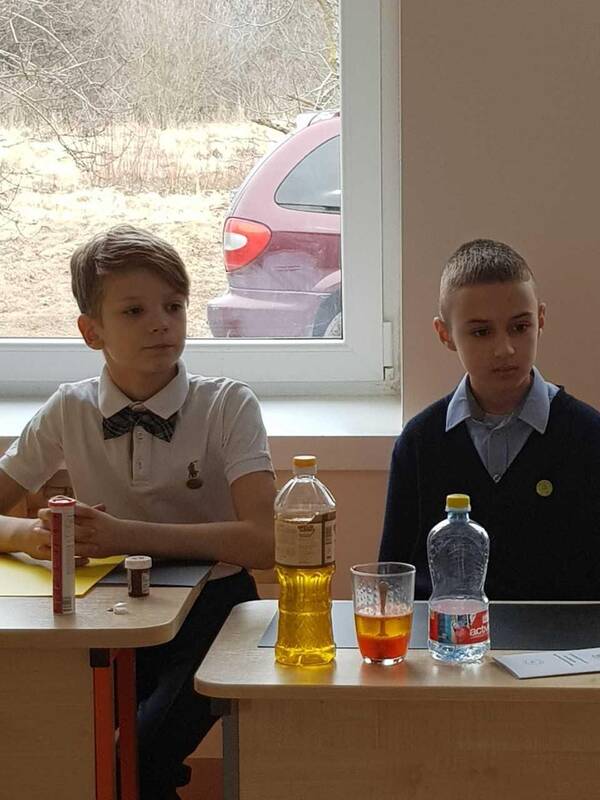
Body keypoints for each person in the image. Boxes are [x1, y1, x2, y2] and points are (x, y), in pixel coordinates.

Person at [0, 224, 276, 799]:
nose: (161, 323)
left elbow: (266, 542)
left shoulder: (228, 403)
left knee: (139, 758)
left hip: (217, 609)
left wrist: (124, 535)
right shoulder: (68, 408)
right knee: (74, 756)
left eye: (173, 306)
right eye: (134, 311)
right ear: (91, 331)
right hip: (107, 611)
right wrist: (31, 534)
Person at [379, 238, 600, 601]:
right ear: (445, 334)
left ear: (541, 320)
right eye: (481, 332)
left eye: (520, 327)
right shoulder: (419, 443)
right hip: (446, 635)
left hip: (563, 637)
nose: (505, 349)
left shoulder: (588, 438)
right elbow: (393, 583)